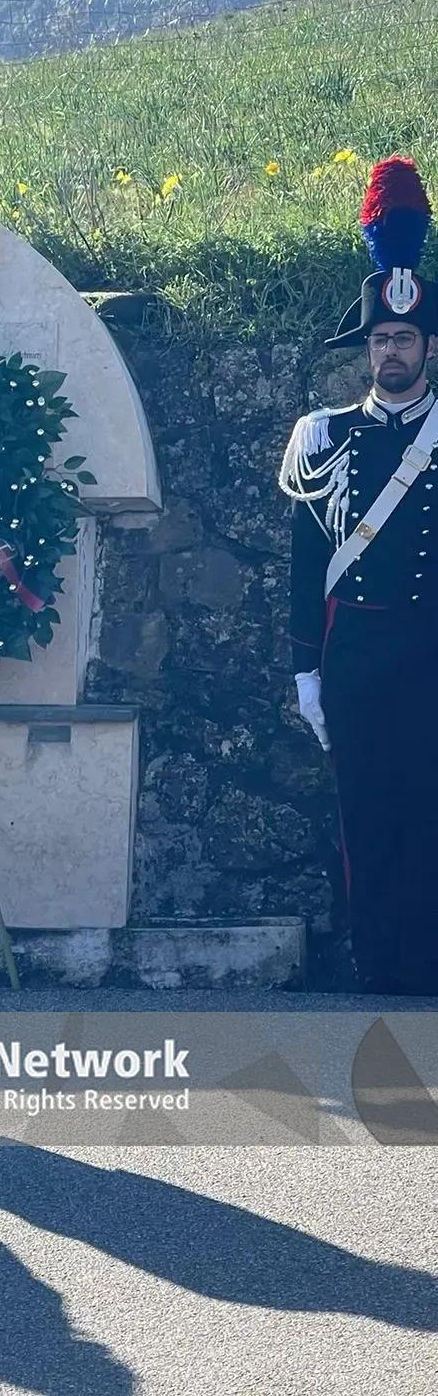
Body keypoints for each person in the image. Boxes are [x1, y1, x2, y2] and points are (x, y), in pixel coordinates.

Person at [279, 155, 438, 996]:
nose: (390, 352)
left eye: (404, 339)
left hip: (433, 649)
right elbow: (309, 560)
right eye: (380, 340)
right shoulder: (324, 436)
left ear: (429, 347)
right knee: (366, 810)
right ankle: (380, 966)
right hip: (358, 653)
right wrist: (306, 671)